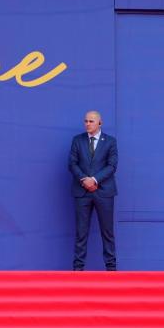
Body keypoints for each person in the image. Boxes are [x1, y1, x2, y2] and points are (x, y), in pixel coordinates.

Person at [68, 110, 117, 271]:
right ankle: (78, 269)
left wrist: (94, 180)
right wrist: (85, 180)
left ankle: (111, 270)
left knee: (107, 232)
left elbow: (112, 166)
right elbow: (72, 164)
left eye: (91, 121)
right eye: (86, 121)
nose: (87, 124)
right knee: (81, 233)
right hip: (82, 192)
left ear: (100, 123)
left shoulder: (110, 141)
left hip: (104, 192)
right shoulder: (77, 140)